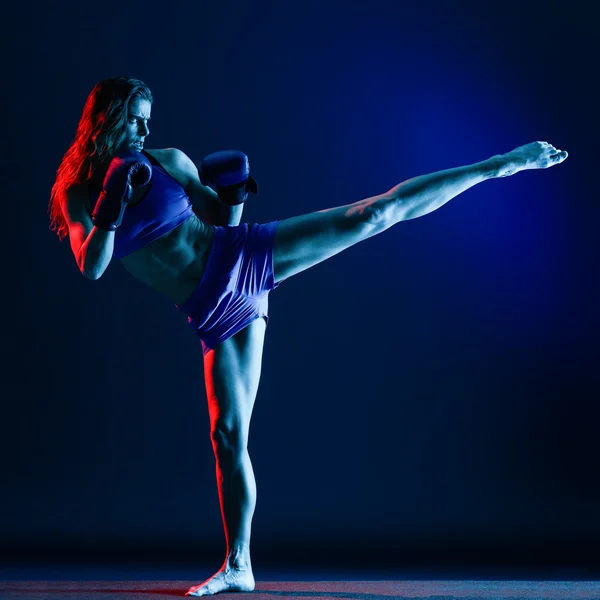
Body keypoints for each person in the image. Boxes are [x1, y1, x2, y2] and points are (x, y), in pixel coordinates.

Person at [48, 76, 568, 597]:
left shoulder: (168, 162)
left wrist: (231, 191)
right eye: (135, 118)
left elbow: (223, 218)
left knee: (373, 213)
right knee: (227, 437)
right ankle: (238, 566)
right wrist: (112, 204)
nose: (144, 129)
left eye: (146, 118)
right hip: (212, 310)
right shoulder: (80, 193)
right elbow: (90, 265)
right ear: (107, 119)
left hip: (241, 256)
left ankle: (502, 163)